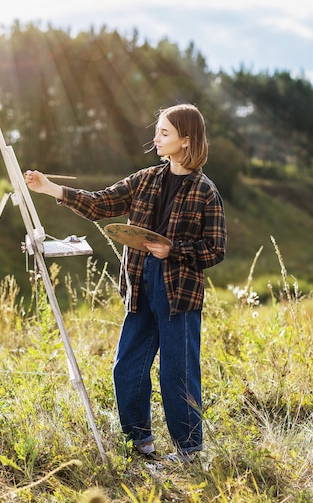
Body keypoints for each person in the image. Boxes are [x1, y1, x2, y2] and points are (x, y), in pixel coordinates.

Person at [25, 103, 226, 463]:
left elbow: (215, 250)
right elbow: (101, 203)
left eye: (164, 133)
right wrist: (49, 188)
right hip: (140, 284)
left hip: (179, 292)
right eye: (158, 131)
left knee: (177, 375)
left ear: (186, 140)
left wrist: (173, 250)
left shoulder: (205, 191)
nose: (157, 138)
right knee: (127, 367)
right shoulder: (146, 178)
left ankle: (190, 452)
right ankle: (140, 444)